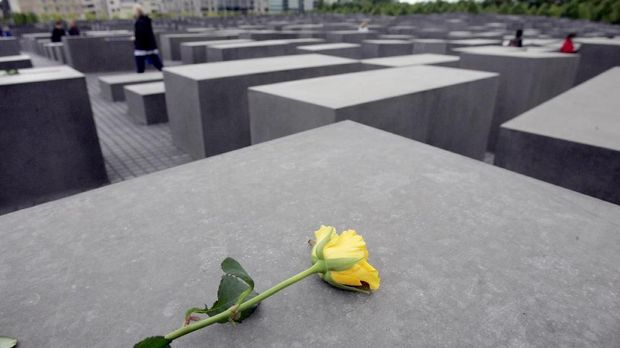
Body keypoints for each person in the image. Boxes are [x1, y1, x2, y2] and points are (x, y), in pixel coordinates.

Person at [133, 4, 163, 73]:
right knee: (159, 65)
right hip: (150, 47)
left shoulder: (139, 22)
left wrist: (135, 39)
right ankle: (168, 76)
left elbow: (141, 35)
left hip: (142, 48)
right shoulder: (147, 20)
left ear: (137, 12)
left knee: (140, 68)